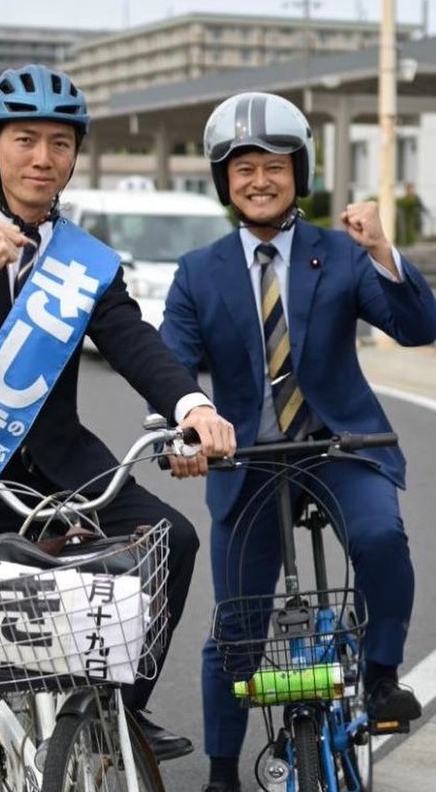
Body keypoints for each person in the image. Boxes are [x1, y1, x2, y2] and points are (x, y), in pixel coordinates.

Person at [0, 64, 236, 792]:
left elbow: (132, 340)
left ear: (74, 155)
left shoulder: (84, 262)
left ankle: (122, 705)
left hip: (63, 469)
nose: (43, 158)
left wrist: (193, 408)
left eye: (60, 143)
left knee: (173, 540)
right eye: (25, 140)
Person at [158, 91, 436, 792]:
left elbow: (417, 328)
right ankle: (222, 772)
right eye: (243, 168)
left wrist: (383, 252)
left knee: (380, 538)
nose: (260, 180)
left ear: (299, 173)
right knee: (237, 627)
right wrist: (181, 433)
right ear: (224, 179)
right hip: (246, 460)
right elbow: (172, 366)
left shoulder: (340, 253)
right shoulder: (198, 272)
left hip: (340, 445)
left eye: (275, 166)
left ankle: (379, 676)